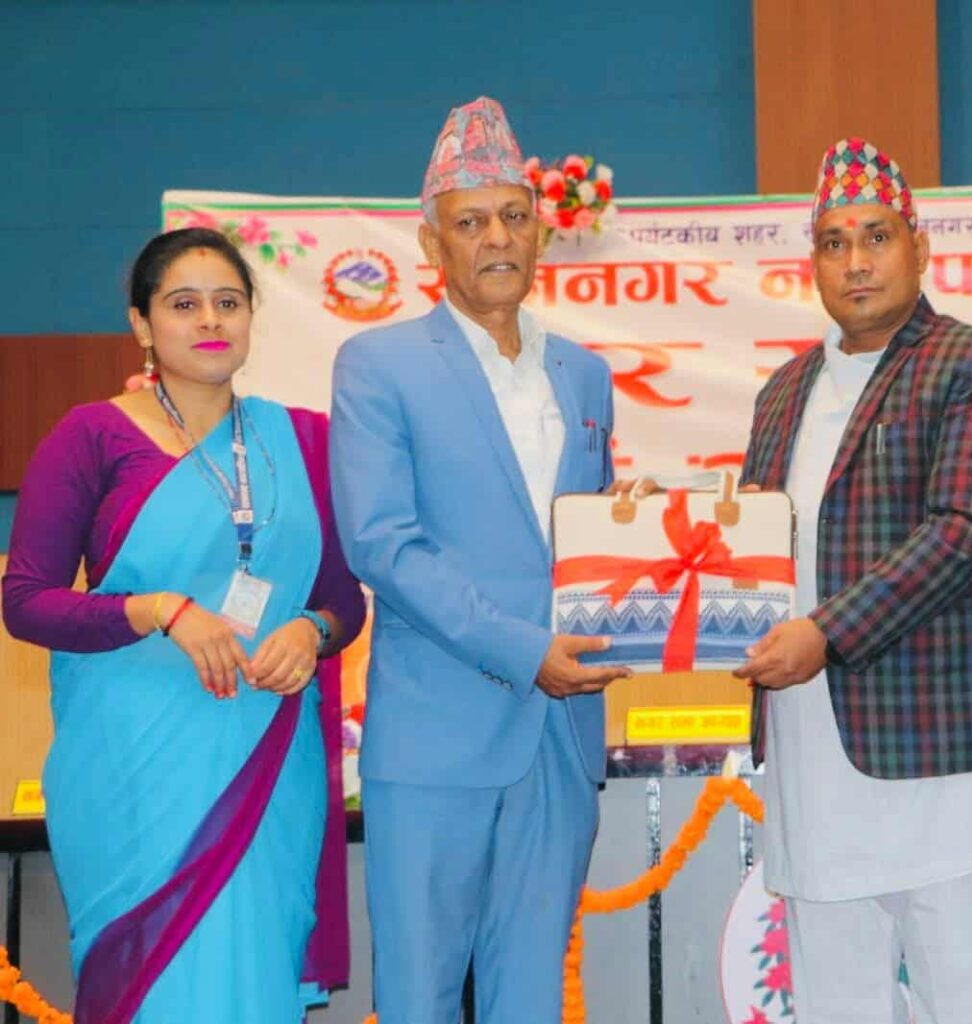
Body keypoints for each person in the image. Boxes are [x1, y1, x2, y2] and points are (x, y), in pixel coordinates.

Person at [734, 136, 972, 1024]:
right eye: (833, 242)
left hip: (940, 749)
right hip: (810, 748)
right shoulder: (782, 391)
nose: (855, 261)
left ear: (918, 246)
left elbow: (963, 531)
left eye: (876, 237)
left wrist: (824, 633)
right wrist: (675, 546)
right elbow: (754, 545)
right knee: (836, 1002)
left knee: (965, 999)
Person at [1, 227, 365, 1022]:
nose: (210, 320)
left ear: (251, 316)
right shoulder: (91, 436)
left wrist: (311, 630)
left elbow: (344, 597)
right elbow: (25, 601)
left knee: (253, 967)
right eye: (184, 303)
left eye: (228, 302)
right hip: (134, 765)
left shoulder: (303, 441)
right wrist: (158, 609)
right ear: (142, 323)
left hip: (266, 757)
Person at [328, 96, 629, 1024]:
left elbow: (582, 537)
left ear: (540, 232)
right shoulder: (378, 364)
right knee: (419, 998)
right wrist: (523, 649)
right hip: (437, 736)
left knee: (531, 997)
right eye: (470, 223)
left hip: (561, 738)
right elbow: (382, 543)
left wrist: (634, 536)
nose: (496, 238)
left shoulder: (585, 373)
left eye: (513, 216)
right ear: (431, 243)